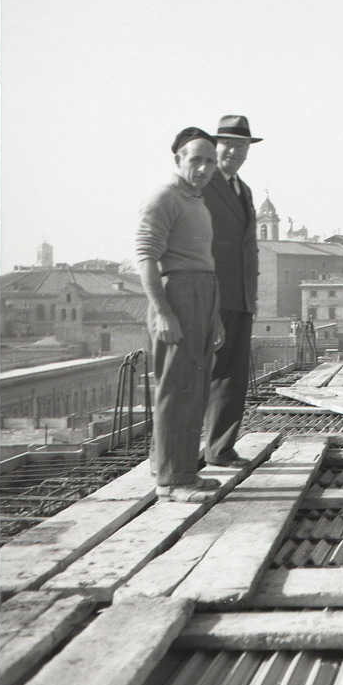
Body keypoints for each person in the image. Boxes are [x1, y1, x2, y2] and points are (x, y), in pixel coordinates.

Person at [136, 127, 225, 502]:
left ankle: (177, 468)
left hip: (203, 296)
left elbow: (205, 262)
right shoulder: (164, 198)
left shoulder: (198, 201)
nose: (204, 168)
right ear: (178, 160)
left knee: (195, 387)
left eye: (210, 161)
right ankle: (173, 483)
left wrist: (215, 316)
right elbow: (146, 258)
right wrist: (164, 313)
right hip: (177, 296)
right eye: (196, 160)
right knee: (177, 388)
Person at [200, 115, 262, 468]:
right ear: (215, 146)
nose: (235, 151)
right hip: (210, 294)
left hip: (241, 295)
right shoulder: (204, 186)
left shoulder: (244, 189)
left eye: (242, 146)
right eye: (228, 144)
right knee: (196, 375)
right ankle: (170, 456)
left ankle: (220, 449)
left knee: (231, 376)